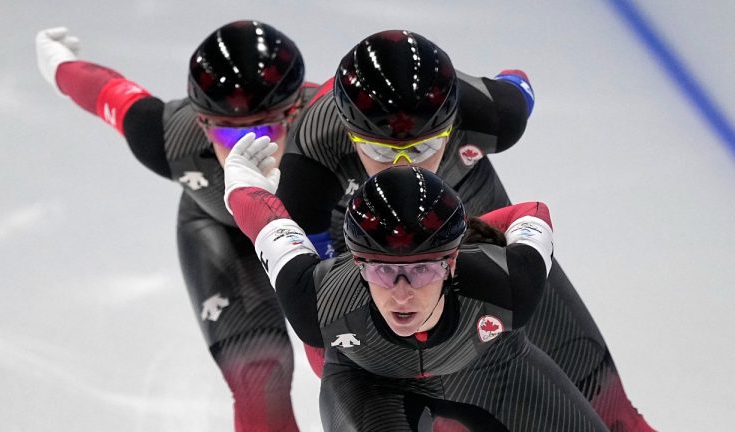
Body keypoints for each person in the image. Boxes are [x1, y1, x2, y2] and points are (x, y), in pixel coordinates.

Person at [275, 30, 654, 431]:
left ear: (452, 126)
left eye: (422, 149)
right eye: (381, 151)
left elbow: (516, 85)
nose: (405, 168)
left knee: (607, 403)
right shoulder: (311, 158)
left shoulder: (489, 113)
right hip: (375, 254)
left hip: (481, 230)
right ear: (349, 135)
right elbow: (320, 310)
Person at [35, 21, 317, 431]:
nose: (244, 148)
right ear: (201, 123)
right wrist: (58, 63)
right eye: (226, 131)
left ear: (296, 113)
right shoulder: (167, 137)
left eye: (261, 129)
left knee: (360, 358)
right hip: (220, 229)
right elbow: (105, 94)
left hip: (316, 227)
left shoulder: (332, 129)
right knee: (259, 372)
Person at [221, 136, 609, 431]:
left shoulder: (507, 284)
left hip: (492, 368)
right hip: (369, 386)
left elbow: (532, 213)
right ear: (357, 264)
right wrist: (239, 184)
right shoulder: (319, 301)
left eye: (422, 269)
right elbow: (270, 228)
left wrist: (472, 230)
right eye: (382, 271)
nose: (402, 292)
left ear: (452, 263)